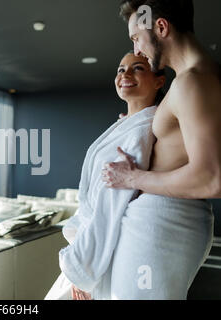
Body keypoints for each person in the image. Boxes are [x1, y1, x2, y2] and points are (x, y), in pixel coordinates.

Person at [101, 0, 220, 299]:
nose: (137, 49)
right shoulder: (193, 79)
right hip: (162, 222)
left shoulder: (193, 82)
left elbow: (211, 178)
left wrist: (132, 178)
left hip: (164, 223)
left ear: (161, 27)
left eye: (135, 38)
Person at [45, 52, 166, 300]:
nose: (125, 75)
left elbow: (112, 204)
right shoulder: (127, 125)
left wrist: (83, 272)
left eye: (138, 68)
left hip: (100, 252)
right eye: (121, 69)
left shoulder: (143, 131)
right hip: (90, 243)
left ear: (159, 81)